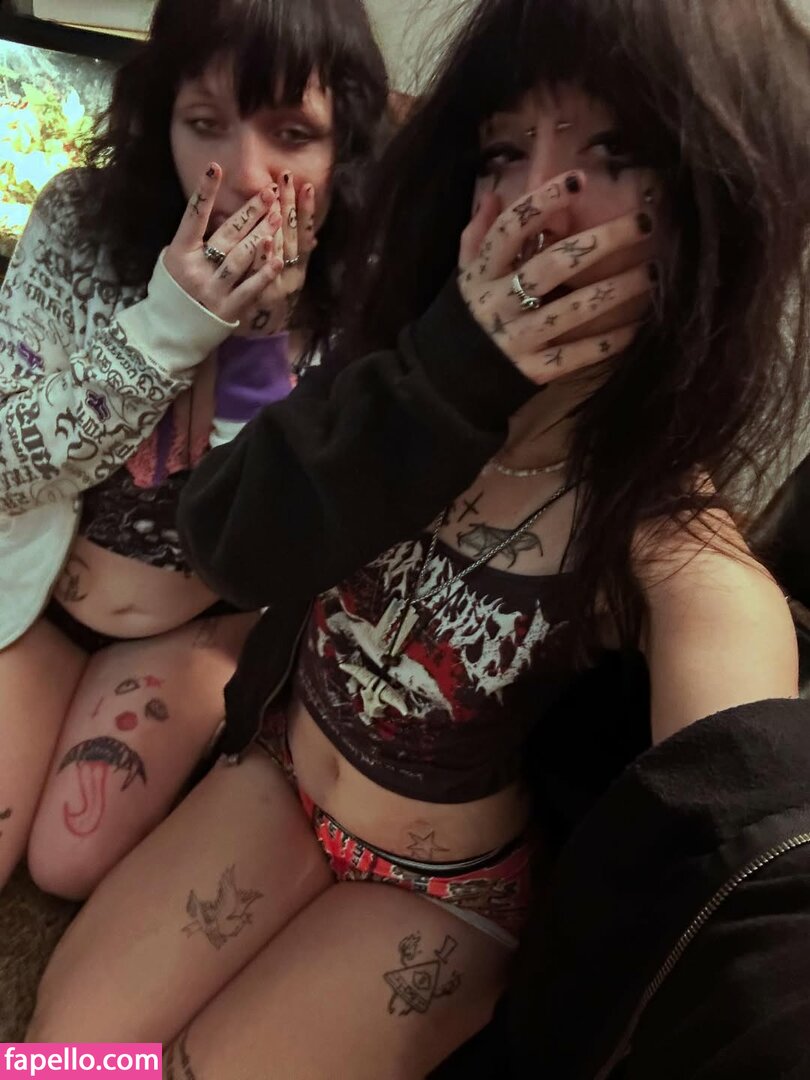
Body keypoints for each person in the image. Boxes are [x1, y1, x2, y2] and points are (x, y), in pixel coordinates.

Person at [27, 0, 810, 1077]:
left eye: (615, 153)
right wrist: (448, 375)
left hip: (444, 891)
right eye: (503, 152)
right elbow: (225, 543)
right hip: (282, 779)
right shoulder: (402, 374)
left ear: (716, 208)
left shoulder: (673, 542)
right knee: (61, 1052)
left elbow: (747, 889)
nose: (535, 197)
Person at [0, 0, 387, 900]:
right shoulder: (79, 223)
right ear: (159, 119)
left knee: (70, 860)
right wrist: (167, 328)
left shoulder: (368, 299)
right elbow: (7, 465)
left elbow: (271, 547)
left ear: (346, 145)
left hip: (198, 622)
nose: (245, 175)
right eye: (205, 124)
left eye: (292, 133)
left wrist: (258, 345)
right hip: (39, 590)